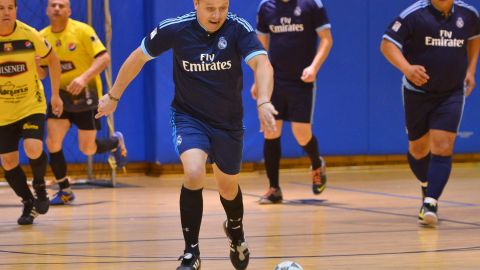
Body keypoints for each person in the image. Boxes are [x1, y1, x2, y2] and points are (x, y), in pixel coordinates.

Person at [96, 0, 277, 268]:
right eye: (210, 8)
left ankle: (235, 230)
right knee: (193, 172)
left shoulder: (238, 28)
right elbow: (138, 57)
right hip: (188, 116)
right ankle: (191, 252)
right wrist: (114, 96)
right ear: (196, 4)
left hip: (227, 122)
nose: (217, 15)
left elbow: (263, 64)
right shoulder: (176, 28)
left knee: (227, 187)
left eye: (223, 8)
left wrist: (263, 100)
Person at [381, 0, 480, 227]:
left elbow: (474, 37)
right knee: (418, 149)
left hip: (452, 93)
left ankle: (430, 202)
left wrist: (471, 70)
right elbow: (386, 44)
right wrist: (407, 68)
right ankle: (427, 184)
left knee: (443, 145)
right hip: (417, 93)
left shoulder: (469, 14)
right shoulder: (414, 14)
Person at [37, 0, 127, 205]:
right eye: (53, 5)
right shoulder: (42, 37)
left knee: (87, 149)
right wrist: (36, 66)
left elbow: (104, 59)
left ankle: (115, 141)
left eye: (61, 5)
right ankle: (65, 190)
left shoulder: (82, 31)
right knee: (52, 142)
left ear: (68, 10)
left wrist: (83, 78)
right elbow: (42, 73)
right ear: (47, 10)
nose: (57, 9)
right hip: (60, 96)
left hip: (86, 94)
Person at [254, 0, 333, 204]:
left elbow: (326, 39)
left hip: (302, 81)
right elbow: (260, 46)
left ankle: (317, 164)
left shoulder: (311, 4)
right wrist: (259, 80)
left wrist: (314, 68)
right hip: (274, 80)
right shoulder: (266, 7)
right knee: (271, 130)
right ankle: (274, 188)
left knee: (301, 134)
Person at [0, 0, 62, 224]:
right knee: (7, 161)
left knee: (33, 146)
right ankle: (28, 201)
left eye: (10, 7)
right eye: (1, 8)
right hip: (3, 111)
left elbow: (52, 60)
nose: (6, 12)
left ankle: (39, 185)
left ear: (16, 10)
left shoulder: (29, 35)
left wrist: (55, 95)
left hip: (30, 104)